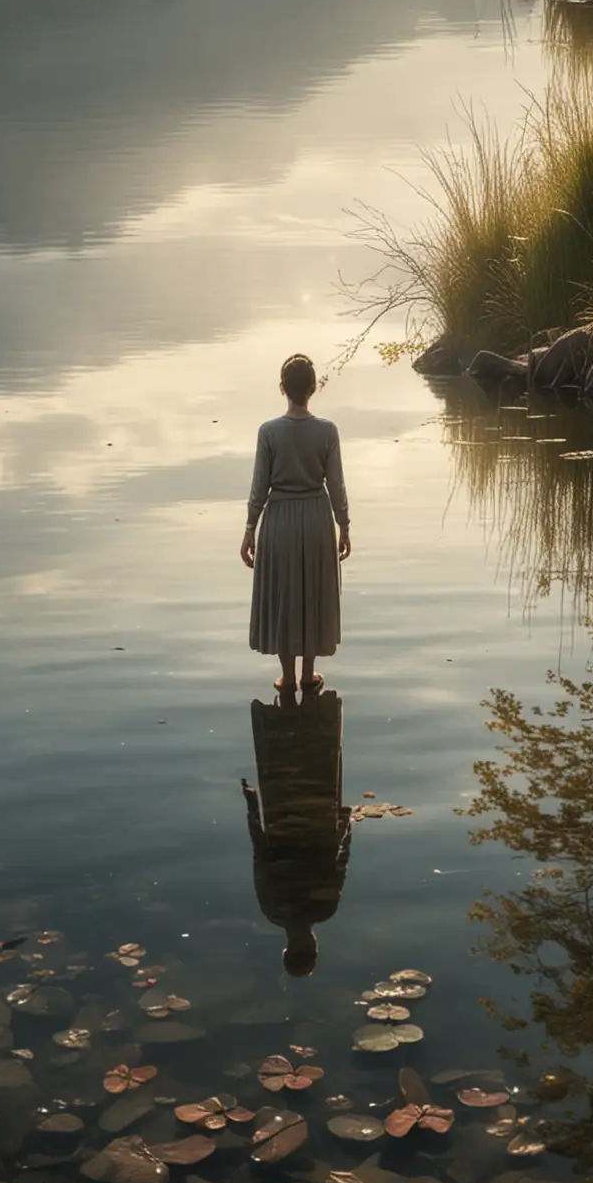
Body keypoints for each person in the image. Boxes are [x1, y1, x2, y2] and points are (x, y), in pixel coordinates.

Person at [240, 352, 351, 695]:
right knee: (313, 591)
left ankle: (287, 676)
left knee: (285, 592)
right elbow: (336, 484)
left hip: (280, 521)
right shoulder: (327, 431)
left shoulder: (269, 432)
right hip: (317, 518)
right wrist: (344, 524)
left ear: (282, 388)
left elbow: (260, 487)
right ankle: (308, 674)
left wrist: (249, 530)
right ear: (313, 388)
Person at [242, 687, 351, 976]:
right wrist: (253, 809)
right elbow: (260, 856)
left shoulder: (324, 910)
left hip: (320, 811)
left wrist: (346, 826)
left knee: (320, 749)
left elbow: (340, 863)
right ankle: (292, 695)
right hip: (281, 808)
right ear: (286, 949)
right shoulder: (272, 910)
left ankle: (306, 698)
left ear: (313, 946)